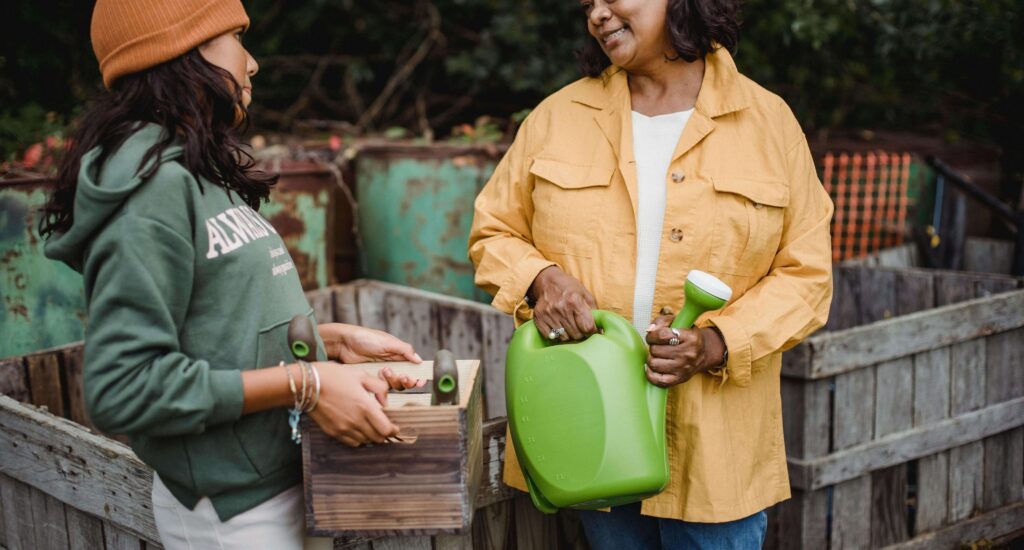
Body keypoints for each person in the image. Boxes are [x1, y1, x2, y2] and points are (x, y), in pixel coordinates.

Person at [40, 1, 424, 548]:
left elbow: (217, 322)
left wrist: (328, 342)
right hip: (235, 516)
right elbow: (123, 387)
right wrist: (307, 383)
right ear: (183, 49)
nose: (252, 63)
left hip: (279, 483)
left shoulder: (194, 169)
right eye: (237, 37)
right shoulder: (150, 190)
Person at [468, 0, 833, 547]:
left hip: (717, 457)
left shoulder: (768, 123)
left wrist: (715, 343)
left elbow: (808, 278)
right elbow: (492, 232)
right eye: (588, 3)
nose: (596, 13)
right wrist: (542, 278)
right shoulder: (557, 117)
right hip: (594, 431)